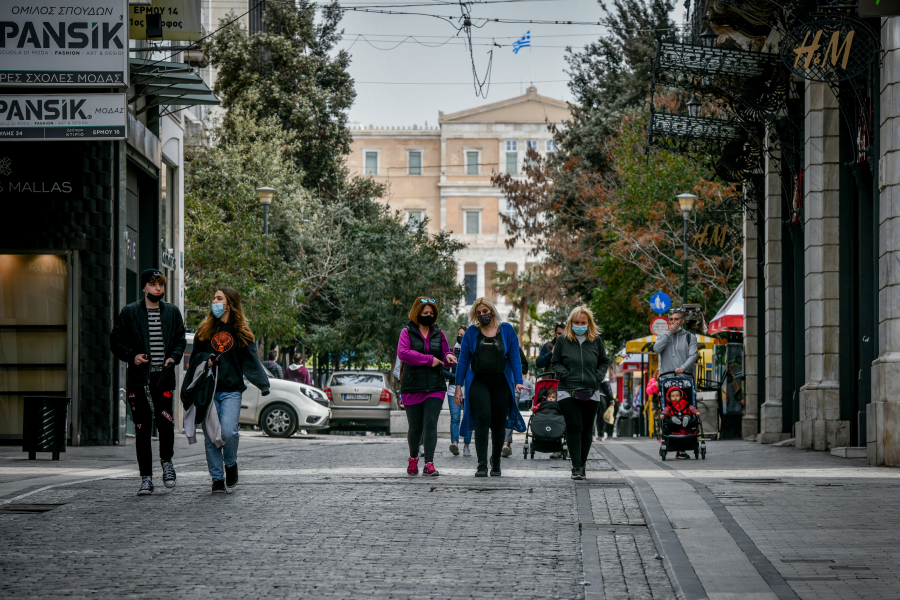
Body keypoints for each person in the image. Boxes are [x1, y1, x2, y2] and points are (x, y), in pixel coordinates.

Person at [109, 269, 186, 496]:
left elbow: (180, 340)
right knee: (142, 429)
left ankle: (167, 463)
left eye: (160, 284)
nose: (158, 289)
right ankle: (146, 478)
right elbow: (116, 341)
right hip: (139, 379)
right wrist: (133, 356)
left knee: (165, 423)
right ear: (144, 287)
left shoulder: (172, 312)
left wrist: (174, 357)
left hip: (163, 378)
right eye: (153, 284)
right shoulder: (130, 312)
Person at [192, 287, 270, 493]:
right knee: (211, 437)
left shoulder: (241, 333)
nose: (214, 302)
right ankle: (217, 479)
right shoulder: (204, 332)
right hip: (209, 390)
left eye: (219, 299)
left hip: (231, 390)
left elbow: (252, 361)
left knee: (228, 432)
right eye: (214, 298)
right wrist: (205, 361)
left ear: (230, 304)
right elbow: (194, 360)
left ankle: (231, 463)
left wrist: (263, 385)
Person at [454, 298, 528, 477]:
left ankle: (495, 462)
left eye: (485, 311)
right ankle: (481, 464)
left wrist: (518, 381)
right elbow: (463, 361)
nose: (482, 315)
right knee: (483, 417)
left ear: (492, 311)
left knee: (498, 422)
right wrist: (458, 386)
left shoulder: (507, 330)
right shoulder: (472, 332)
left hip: (501, 381)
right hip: (478, 381)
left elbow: (514, 358)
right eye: (478, 313)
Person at [397, 297, 458, 477]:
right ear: (417, 314)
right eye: (425, 313)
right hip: (412, 385)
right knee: (415, 427)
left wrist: (448, 357)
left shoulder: (439, 333)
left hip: (435, 385)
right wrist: (428, 359)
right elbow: (403, 353)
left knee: (431, 424)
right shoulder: (406, 332)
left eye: (431, 313)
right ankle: (413, 458)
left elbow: (445, 352)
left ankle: (429, 463)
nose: (429, 316)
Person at [551, 306, 609, 480]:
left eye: (583, 322)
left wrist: (597, 378)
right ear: (571, 323)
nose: (580, 325)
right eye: (576, 322)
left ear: (589, 323)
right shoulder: (563, 341)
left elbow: (603, 362)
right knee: (575, 426)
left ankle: (582, 464)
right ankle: (576, 466)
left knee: (586, 429)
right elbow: (556, 362)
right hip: (567, 391)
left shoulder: (596, 340)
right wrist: (567, 375)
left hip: (591, 391)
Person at [447, 326, 473, 457]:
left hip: (469, 390)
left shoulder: (472, 351)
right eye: (459, 334)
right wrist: (456, 378)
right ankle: (455, 444)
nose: (460, 337)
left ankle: (467, 446)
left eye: (463, 335)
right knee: (455, 418)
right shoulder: (452, 350)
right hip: (453, 389)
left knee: (467, 418)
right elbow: (444, 369)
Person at [503, 350, 533, 458]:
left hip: (515, 383)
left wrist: (515, 366)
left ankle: (506, 443)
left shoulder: (515, 347)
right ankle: (501, 443)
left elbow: (524, 367)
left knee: (510, 412)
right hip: (499, 383)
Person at [653, 308, 698, 377]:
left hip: (684, 378)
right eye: (671, 319)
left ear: (682, 321)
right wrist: (669, 333)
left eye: (676, 319)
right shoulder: (662, 335)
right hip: (666, 378)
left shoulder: (690, 337)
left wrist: (683, 367)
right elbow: (656, 350)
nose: (673, 322)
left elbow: (693, 356)